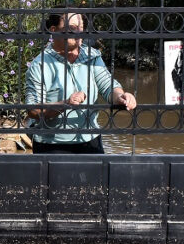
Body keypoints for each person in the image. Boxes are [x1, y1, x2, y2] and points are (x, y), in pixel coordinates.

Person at [25, 12, 137, 154]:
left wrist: (121, 96)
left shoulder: (92, 56)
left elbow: (108, 85)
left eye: (81, 27)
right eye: (72, 27)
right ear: (54, 31)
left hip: (90, 140)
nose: (78, 33)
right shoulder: (39, 65)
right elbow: (33, 110)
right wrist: (66, 103)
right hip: (52, 144)